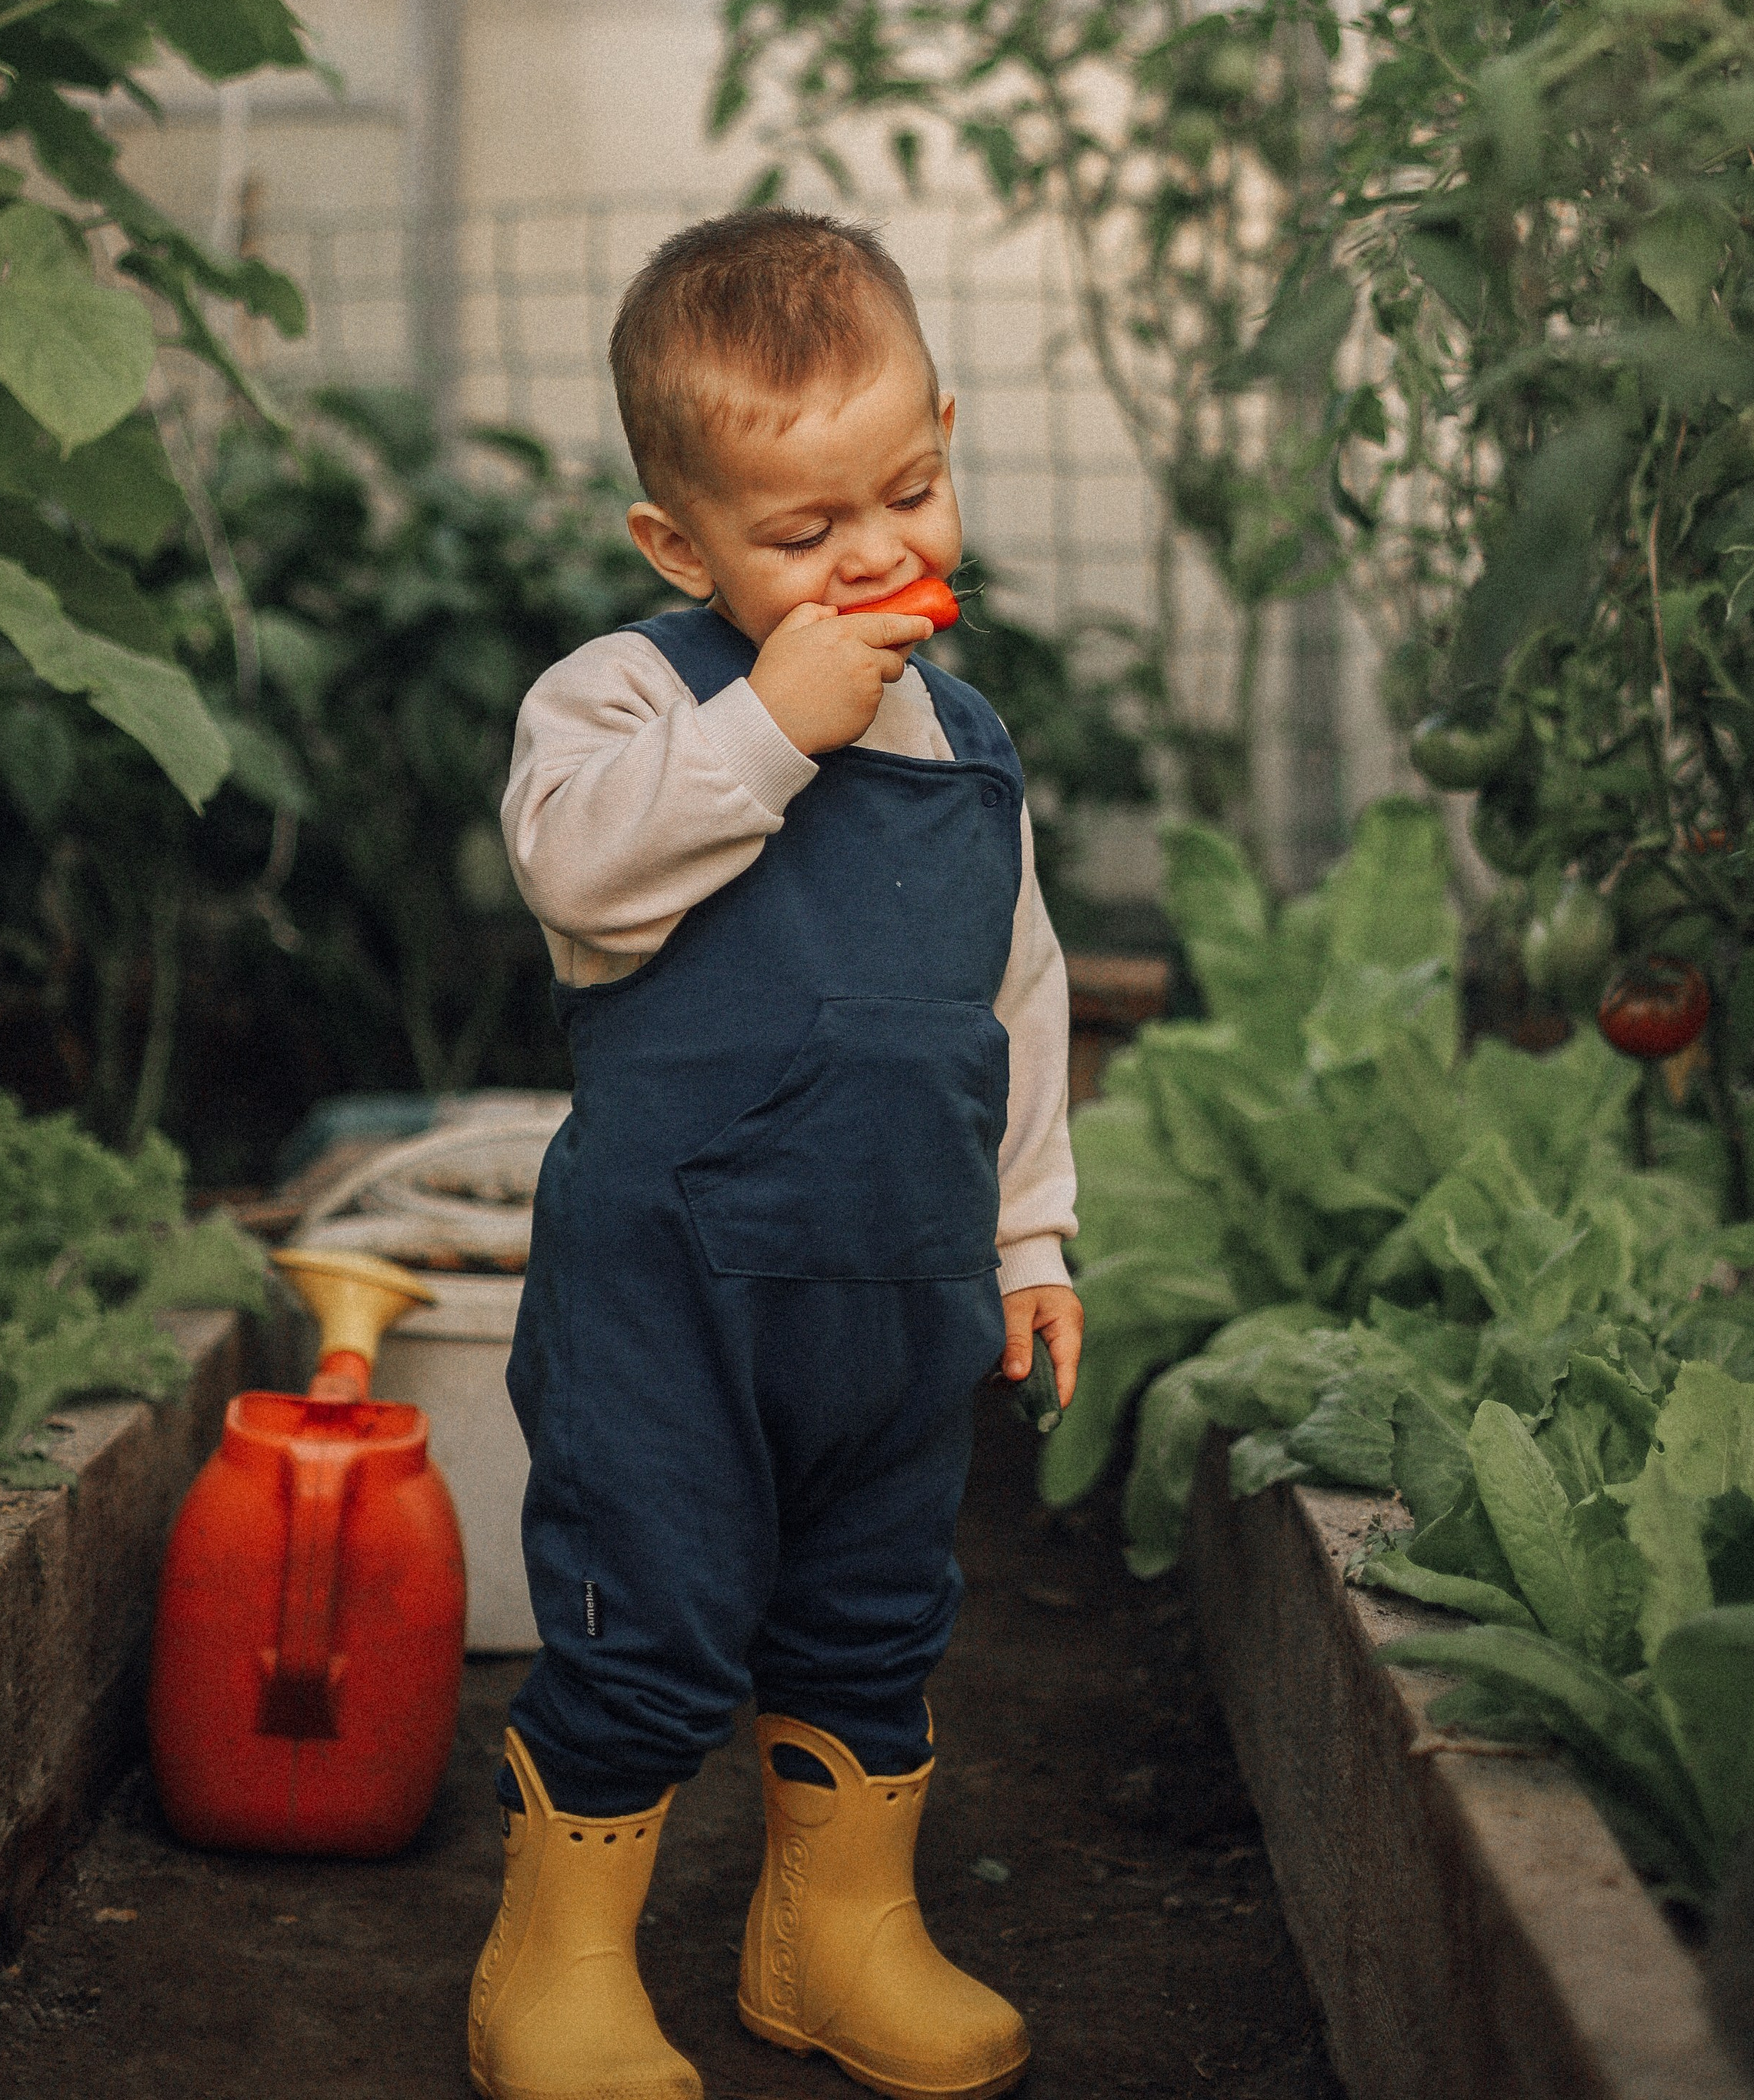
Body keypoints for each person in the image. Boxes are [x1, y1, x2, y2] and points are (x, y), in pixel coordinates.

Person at [470, 207, 1083, 2100]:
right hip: (670, 1292)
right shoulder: (633, 701)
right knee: (646, 1604)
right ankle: (554, 1964)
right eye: (802, 534)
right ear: (680, 542)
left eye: (905, 490)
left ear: (944, 438)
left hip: (894, 1284)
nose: (874, 553)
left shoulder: (969, 746)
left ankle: (838, 1933)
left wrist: (1031, 1235)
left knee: (871, 1611)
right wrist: (765, 727)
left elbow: (1019, 994)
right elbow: (574, 874)